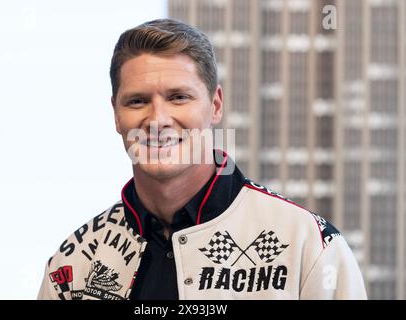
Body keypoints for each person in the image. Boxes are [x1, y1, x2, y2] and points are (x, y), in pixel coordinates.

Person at [37, 18, 367, 300]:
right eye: (137, 101)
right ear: (116, 115)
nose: (157, 120)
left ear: (216, 105)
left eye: (179, 97)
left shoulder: (307, 245)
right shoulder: (74, 263)